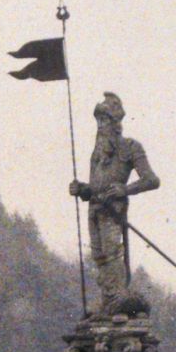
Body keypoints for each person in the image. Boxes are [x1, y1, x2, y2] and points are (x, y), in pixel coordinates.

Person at [70, 92, 159, 314]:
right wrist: (82, 189)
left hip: (113, 210)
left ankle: (117, 296)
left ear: (116, 122)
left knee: (112, 252)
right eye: (98, 121)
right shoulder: (97, 154)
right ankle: (108, 298)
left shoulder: (130, 147)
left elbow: (151, 180)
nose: (100, 126)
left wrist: (124, 189)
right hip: (95, 209)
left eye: (105, 120)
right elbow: (94, 187)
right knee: (99, 255)